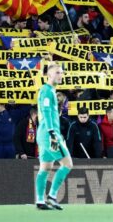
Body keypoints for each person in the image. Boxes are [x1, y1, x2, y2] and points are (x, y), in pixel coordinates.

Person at [34, 63, 73, 210]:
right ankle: (52, 196)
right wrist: (52, 133)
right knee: (68, 164)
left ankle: (39, 200)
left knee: (45, 167)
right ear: (49, 75)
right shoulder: (47, 90)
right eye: (57, 72)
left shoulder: (50, 90)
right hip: (48, 134)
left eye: (61, 72)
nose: (60, 75)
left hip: (44, 134)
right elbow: (46, 112)